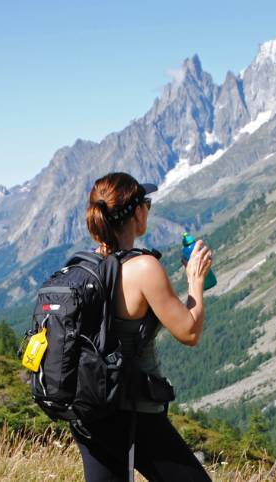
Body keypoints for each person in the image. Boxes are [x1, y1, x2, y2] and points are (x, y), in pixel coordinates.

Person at [73, 172, 213, 482]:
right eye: (146, 203)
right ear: (136, 212)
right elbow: (189, 332)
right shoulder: (143, 267)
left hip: (88, 408)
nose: (148, 209)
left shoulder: (85, 263)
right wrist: (196, 281)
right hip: (133, 411)